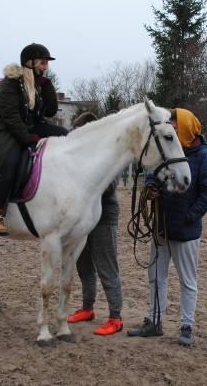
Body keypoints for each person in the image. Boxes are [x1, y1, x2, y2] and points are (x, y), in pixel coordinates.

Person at [127, 108, 207, 347]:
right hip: (161, 227)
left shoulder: (203, 157)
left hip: (185, 232)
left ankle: (187, 325)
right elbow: (153, 171)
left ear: (186, 128)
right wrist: (150, 187)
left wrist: (188, 217)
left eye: (176, 127)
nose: (173, 131)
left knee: (187, 280)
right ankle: (155, 321)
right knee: (156, 277)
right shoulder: (169, 149)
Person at [0, 43, 69, 235]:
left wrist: (48, 87)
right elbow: (11, 118)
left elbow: (51, 111)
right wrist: (29, 138)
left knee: (65, 135)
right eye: (43, 62)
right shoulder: (11, 82)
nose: (46, 66)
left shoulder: (38, 84)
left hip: (29, 125)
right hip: (4, 130)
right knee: (10, 162)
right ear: (30, 62)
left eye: (46, 63)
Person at [66, 112, 124, 336]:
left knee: (106, 266)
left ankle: (115, 317)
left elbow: (108, 186)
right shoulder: (81, 155)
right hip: (81, 218)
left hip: (104, 217)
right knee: (84, 265)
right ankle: (88, 308)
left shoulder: (111, 154)